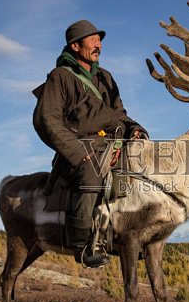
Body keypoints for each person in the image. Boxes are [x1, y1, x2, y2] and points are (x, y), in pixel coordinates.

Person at [33, 20, 148, 268]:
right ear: (75, 46)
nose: (99, 44)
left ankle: (122, 238)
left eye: (100, 40)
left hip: (112, 143)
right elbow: (46, 119)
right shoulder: (60, 77)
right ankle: (82, 246)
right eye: (93, 40)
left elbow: (119, 113)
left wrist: (134, 129)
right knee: (92, 175)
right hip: (80, 149)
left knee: (139, 174)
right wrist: (76, 151)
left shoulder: (105, 77)